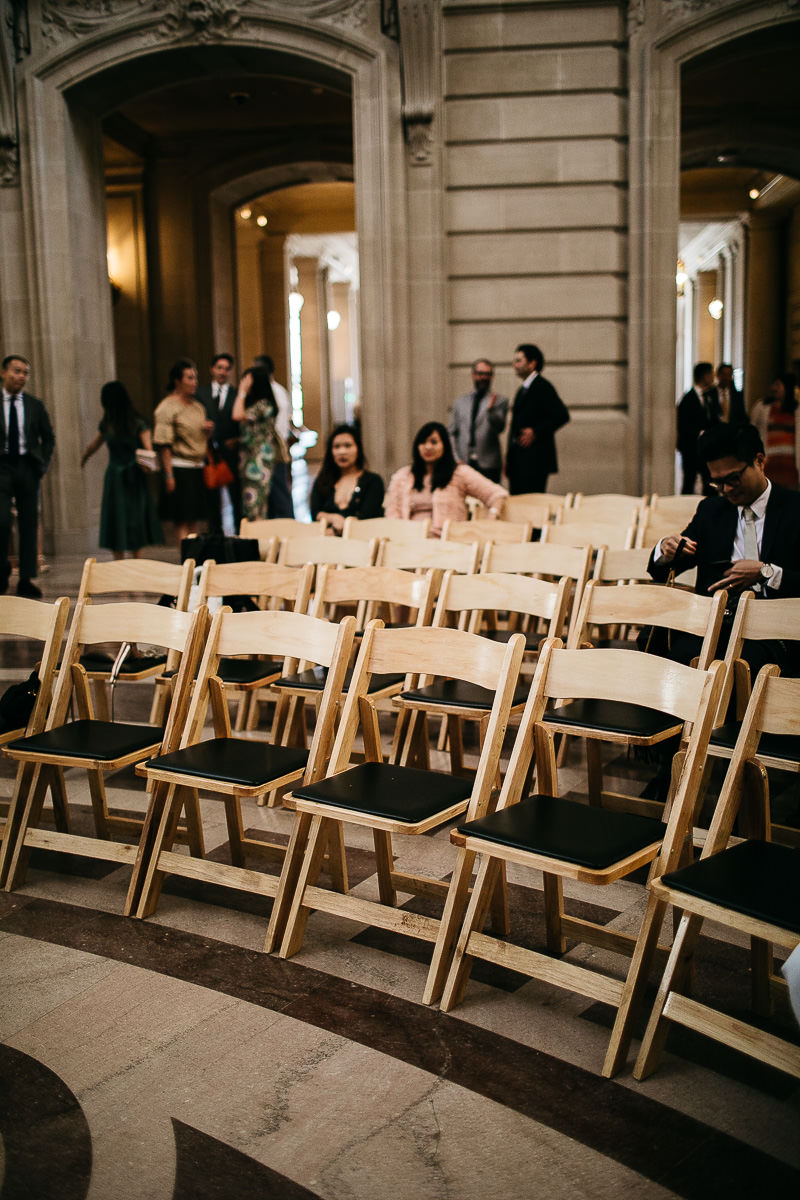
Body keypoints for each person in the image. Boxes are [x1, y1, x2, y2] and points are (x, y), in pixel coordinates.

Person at [648, 422, 800, 674]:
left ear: (759, 461)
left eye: (733, 478)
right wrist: (665, 549)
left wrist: (767, 573)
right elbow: (661, 571)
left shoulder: (794, 509)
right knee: (674, 663)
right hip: (714, 625)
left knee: (743, 665)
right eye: (718, 483)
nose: (727, 489)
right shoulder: (711, 511)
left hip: (776, 633)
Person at [80, 381, 163, 559]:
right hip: (130, 477)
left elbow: (93, 445)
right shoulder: (135, 423)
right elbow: (149, 450)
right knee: (132, 519)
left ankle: (122, 561)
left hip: (120, 477)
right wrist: (148, 465)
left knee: (119, 519)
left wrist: (84, 457)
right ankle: (134, 560)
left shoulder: (110, 424)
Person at [385, 421, 507, 538]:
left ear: (445, 445)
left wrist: (492, 518)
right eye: (422, 442)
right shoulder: (403, 476)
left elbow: (497, 494)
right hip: (410, 540)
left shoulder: (459, 473)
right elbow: (392, 515)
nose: (428, 447)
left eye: (434, 442)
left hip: (448, 542)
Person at [0, 354, 55, 598]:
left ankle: (26, 578)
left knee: (29, 522)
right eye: (17, 371)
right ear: (3, 372)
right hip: (2, 467)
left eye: (25, 373)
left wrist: (41, 464)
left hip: (27, 466)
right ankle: (2, 570)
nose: (21, 376)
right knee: (2, 520)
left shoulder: (34, 405)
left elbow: (48, 437)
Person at [153, 358, 213, 545]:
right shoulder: (167, 407)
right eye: (189, 378)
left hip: (197, 466)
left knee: (195, 519)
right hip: (180, 468)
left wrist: (207, 432)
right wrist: (169, 475)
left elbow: (199, 439)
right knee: (182, 519)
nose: (194, 382)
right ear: (178, 381)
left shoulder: (197, 406)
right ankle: (186, 556)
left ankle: (195, 556)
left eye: (195, 378)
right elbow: (164, 444)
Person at [505, 343, 569, 495]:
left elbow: (561, 415)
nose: (515, 365)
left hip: (535, 461)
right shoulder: (523, 389)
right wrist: (509, 459)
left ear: (532, 363)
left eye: (519, 361)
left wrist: (536, 431)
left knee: (531, 501)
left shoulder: (542, 387)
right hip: (520, 461)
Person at [309, 424, 384, 533]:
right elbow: (315, 513)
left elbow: (367, 517)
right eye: (337, 447)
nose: (342, 452)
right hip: (325, 538)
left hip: (362, 537)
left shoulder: (373, 481)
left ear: (358, 449)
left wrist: (336, 530)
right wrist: (333, 518)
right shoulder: (323, 480)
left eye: (348, 446)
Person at [232, 365, 284, 521]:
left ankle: (257, 533)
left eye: (246, 381)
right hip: (249, 456)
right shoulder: (257, 404)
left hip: (259, 458)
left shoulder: (263, 405)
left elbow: (237, 415)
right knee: (250, 501)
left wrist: (242, 391)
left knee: (255, 502)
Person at [197, 352, 240, 535]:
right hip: (209, 453)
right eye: (219, 368)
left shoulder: (237, 395)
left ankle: (239, 534)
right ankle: (216, 535)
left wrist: (236, 440)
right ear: (212, 369)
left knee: (236, 496)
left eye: (227, 369)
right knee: (211, 498)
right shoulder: (201, 394)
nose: (222, 372)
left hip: (231, 452)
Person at [448, 358, 508, 483]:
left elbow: (500, 428)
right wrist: (456, 458)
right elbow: (452, 433)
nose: (483, 378)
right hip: (464, 462)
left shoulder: (499, 400)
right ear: (473, 374)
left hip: (489, 464)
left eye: (488, 374)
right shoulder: (460, 402)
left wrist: (491, 411)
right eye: (480, 374)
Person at [253, 353, 295, 518]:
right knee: (275, 492)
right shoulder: (280, 390)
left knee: (279, 491)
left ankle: (286, 524)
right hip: (277, 445)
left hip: (272, 447)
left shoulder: (272, 392)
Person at [751, 372, 799, 490]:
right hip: (769, 460)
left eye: (778, 385)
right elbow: (752, 429)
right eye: (773, 385)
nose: (774, 388)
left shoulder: (796, 409)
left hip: (790, 462)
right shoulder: (762, 406)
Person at [676, 361, 718, 494]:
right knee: (689, 480)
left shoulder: (711, 396)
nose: (713, 377)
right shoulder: (687, 399)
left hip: (706, 447)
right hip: (691, 448)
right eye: (711, 374)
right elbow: (683, 426)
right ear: (704, 376)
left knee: (709, 481)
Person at [715, 362, 746, 426]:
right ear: (718, 375)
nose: (726, 378)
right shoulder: (710, 394)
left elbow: (741, 415)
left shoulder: (737, 395)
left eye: (729, 375)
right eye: (724, 374)